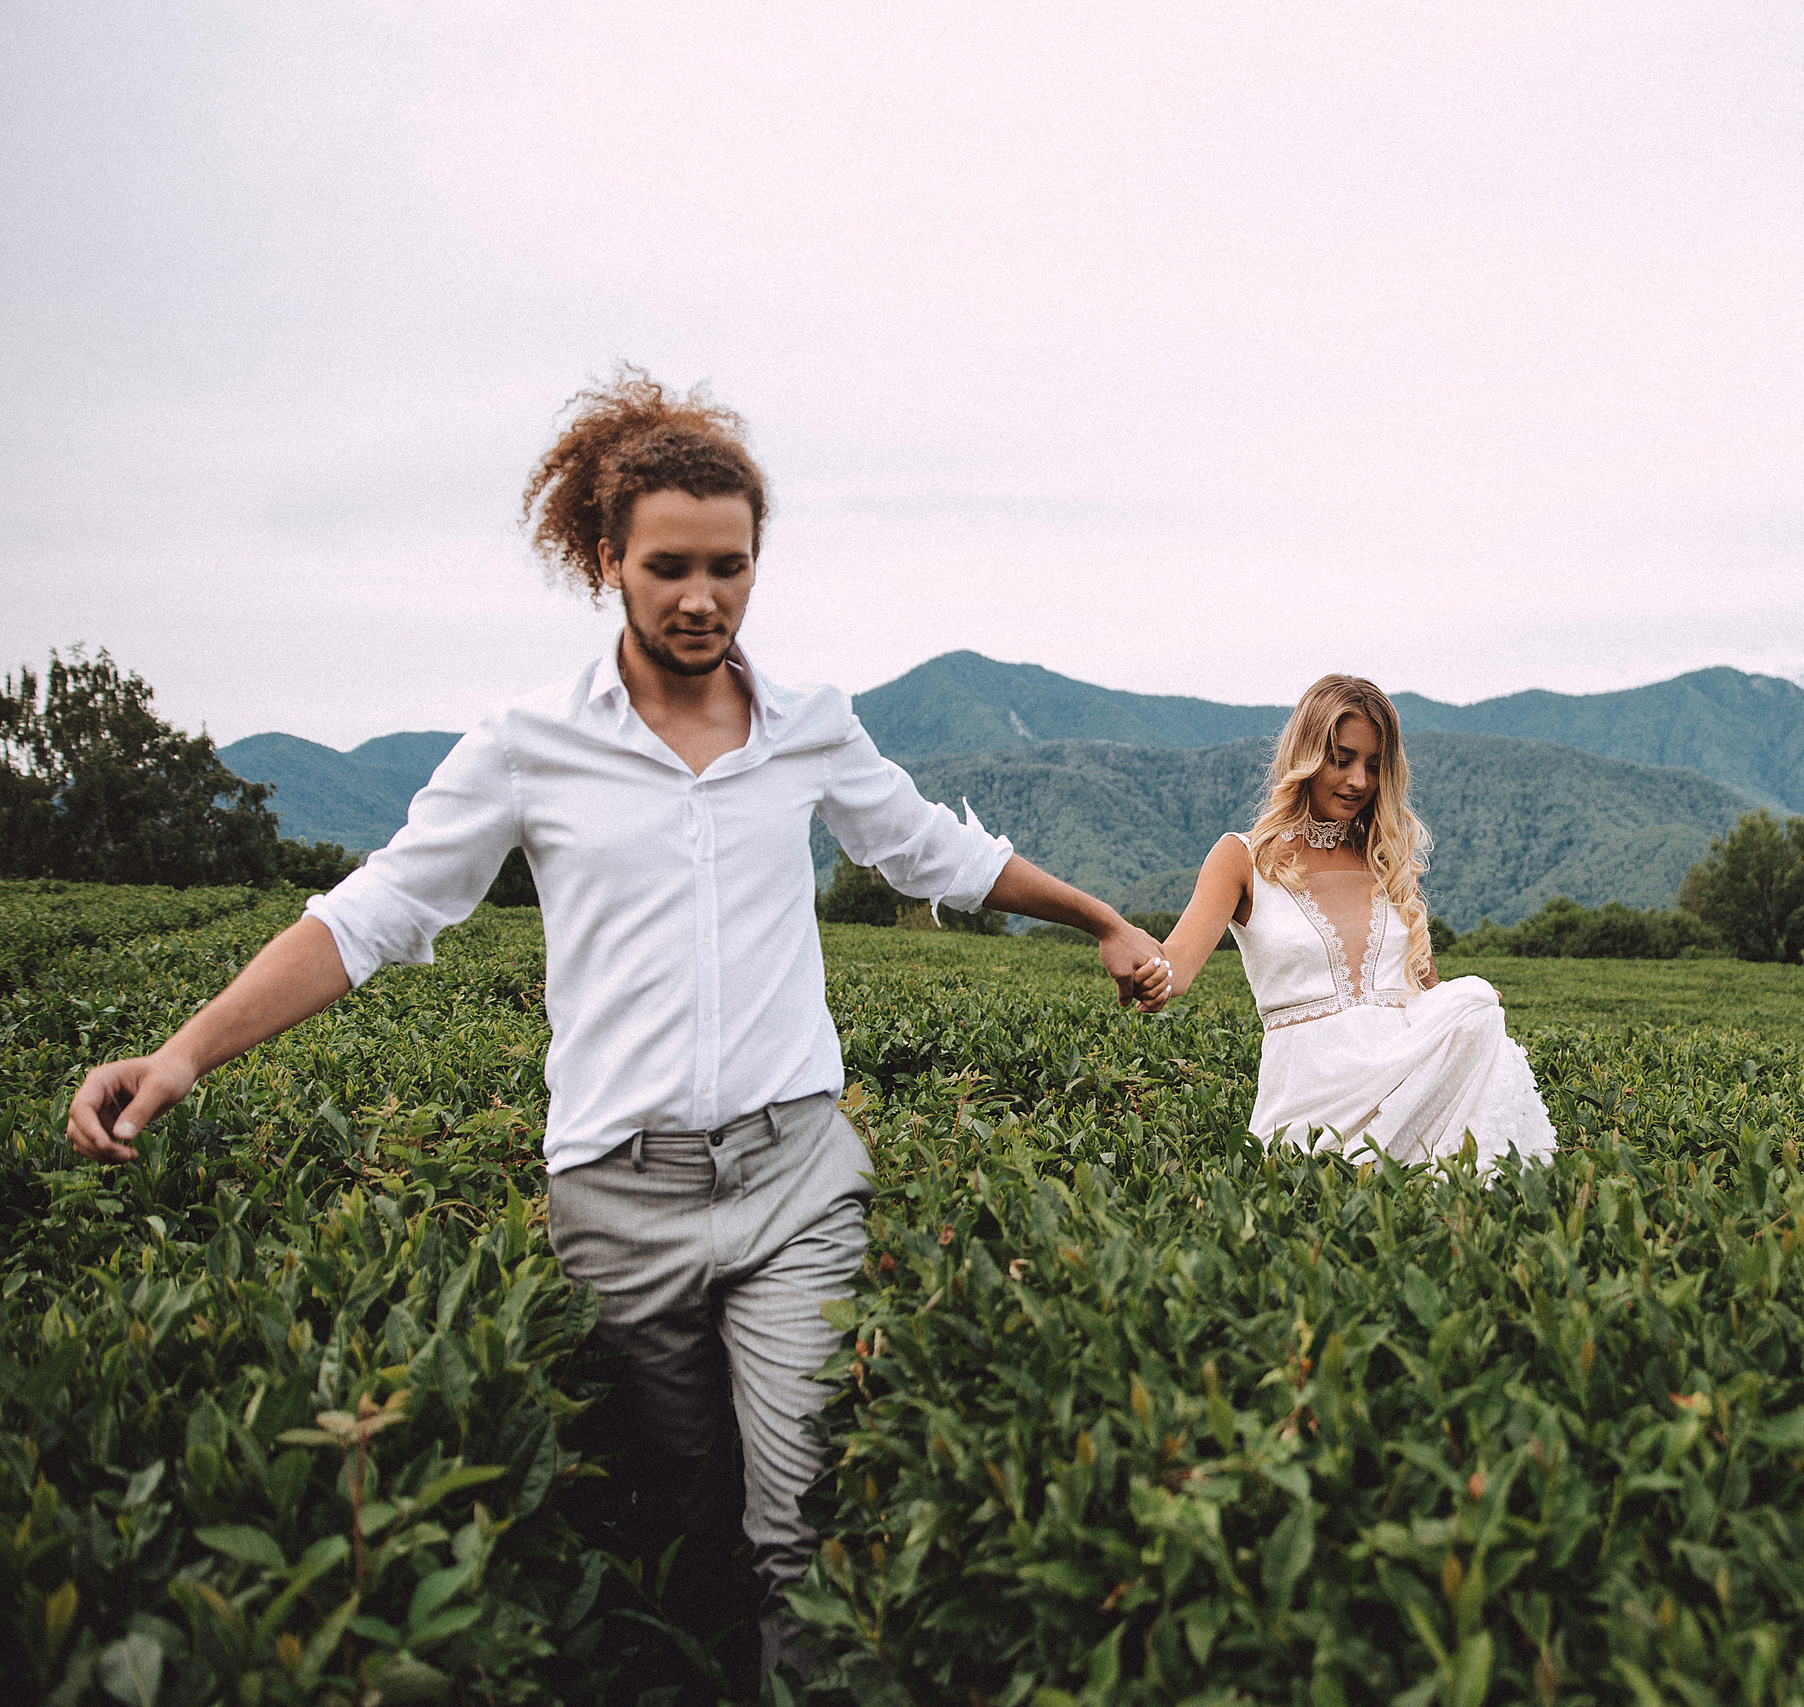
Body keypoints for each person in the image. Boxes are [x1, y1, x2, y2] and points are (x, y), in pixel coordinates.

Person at [65, 368, 1175, 1678]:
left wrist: (1101, 915)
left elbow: (928, 849)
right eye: (668, 566)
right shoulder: (529, 745)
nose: (701, 596)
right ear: (608, 561)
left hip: (792, 1174)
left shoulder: (809, 725)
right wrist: (185, 1049)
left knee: (796, 1512)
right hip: (615, 1195)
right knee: (689, 1495)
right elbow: (372, 914)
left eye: (730, 565)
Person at [1144, 675, 1555, 1168]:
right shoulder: (1242, 858)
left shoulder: (1388, 862)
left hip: (1408, 1094)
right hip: (1311, 1101)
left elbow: (1425, 995)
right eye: (1341, 760)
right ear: (1306, 757)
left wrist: (1465, 1007)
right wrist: (1118, 941)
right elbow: (1178, 967)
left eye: (1375, 766)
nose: (1359, 780)